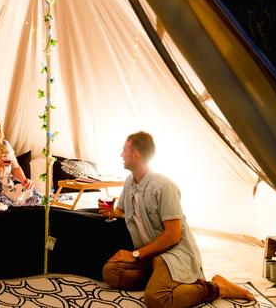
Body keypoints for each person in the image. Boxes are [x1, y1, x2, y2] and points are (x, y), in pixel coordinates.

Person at [100, 131, 255, 308]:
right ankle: (159, 279)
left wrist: (135, 255)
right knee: (110, 272)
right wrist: (110, 212)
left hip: (171, 253)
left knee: (156, 300)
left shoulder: (164, 186)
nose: (121, 154)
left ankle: (216, 287)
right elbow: (122, 211)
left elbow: (173, 235)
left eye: (124, 150)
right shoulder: (130, 182)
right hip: (149, 254)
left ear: (136, 155)